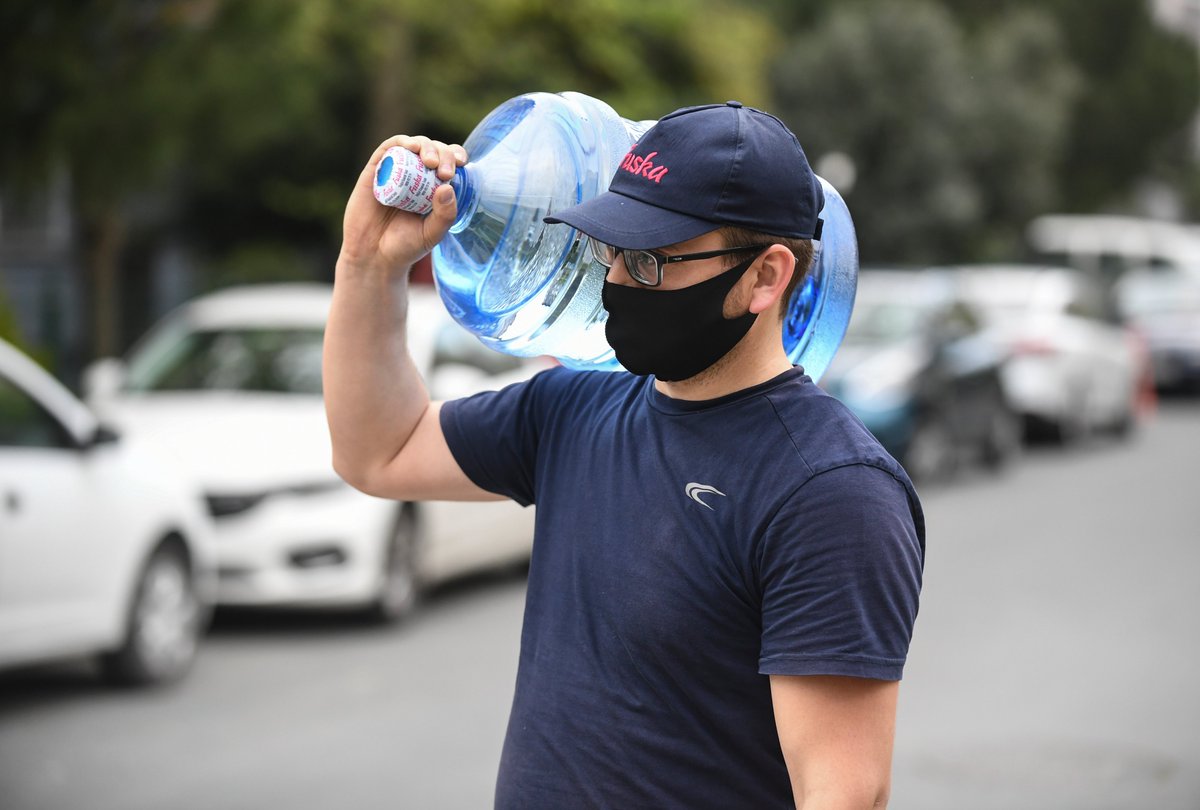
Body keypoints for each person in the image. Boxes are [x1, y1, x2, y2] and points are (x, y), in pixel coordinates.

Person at [324, 101, 925, 809]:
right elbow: (379, 450)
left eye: (647, 261)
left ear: (766, 277)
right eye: (610, 250)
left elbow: (843, 795)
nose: (615, 282)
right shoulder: (575, 409)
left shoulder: (829, 490)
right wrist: (368, 264)